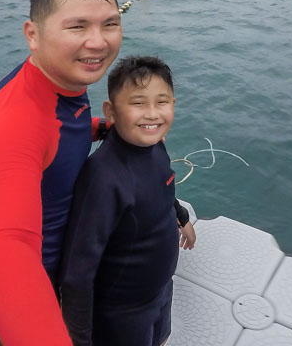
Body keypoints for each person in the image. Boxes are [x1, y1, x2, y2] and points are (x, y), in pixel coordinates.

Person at [0, 0, 123, 346]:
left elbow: (59, 130)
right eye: (77, 27)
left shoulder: (63, 78)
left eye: (110, 24)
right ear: (33, 34)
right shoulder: (16, 124)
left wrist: (103, 127)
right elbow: (10, 250)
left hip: (55, 277)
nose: (98, 42)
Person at [60, 56, 195, 346]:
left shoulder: (156, 146)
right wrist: (80, 339)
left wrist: (181, 217)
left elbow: (162, 189)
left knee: (160, 338)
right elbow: (77, 273)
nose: (152, 114)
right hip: (123, 310)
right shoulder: (103, 178)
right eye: (137, 103)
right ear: (110, 111)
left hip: (159, 289)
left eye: (162, 102)